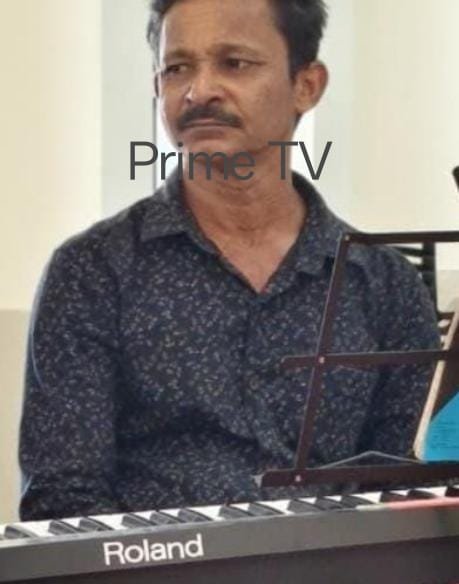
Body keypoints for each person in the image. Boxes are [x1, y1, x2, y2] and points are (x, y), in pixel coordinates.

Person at [19, 0, 439, 521]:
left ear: (307, 85)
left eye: (234, 63)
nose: (199, 91)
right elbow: (63, 500)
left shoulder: (386, 285)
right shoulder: (93, 272)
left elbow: (407, 494)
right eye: (177, 68)